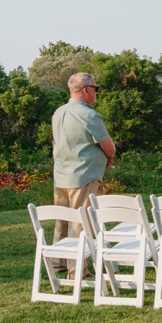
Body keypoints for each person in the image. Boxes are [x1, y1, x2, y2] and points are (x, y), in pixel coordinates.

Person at [51, 72, 115, 250]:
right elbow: (108, 145)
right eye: (95, 88)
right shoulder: (89, 115)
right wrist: (109, 158)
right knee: (80, 225)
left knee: (62, 224)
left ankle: (58, 262)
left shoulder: (58, 112)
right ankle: (76, 265)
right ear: (86, 90)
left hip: (61, 175)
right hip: (84, 175)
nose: (96, 92)